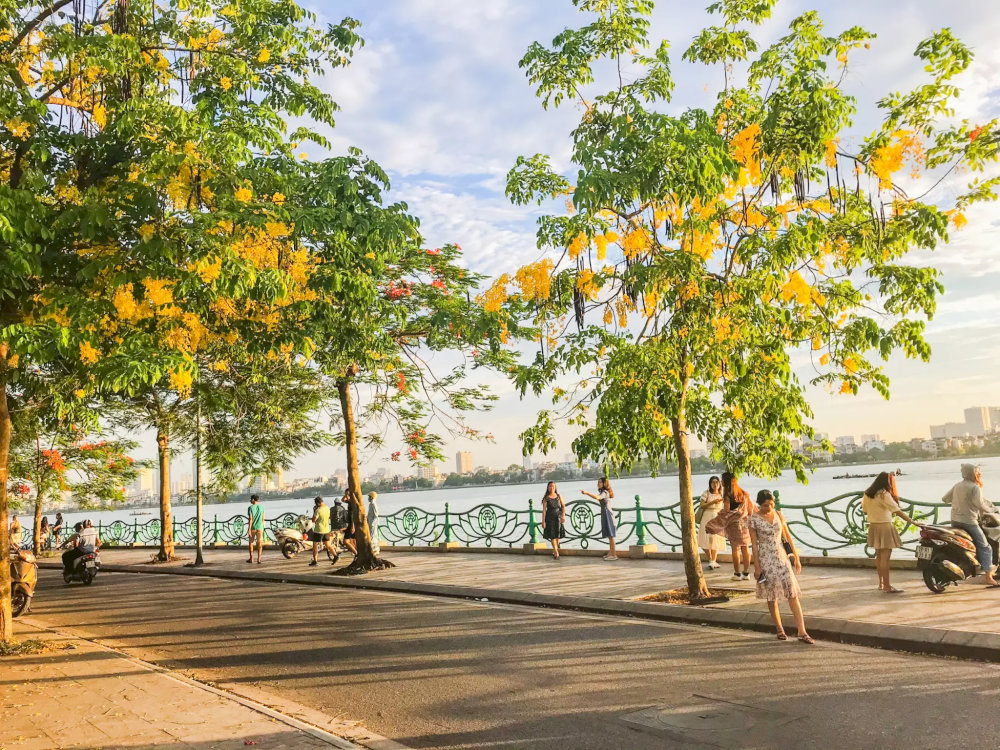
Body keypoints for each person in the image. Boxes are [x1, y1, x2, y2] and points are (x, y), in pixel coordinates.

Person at [749, 489, 814, 644]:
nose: (769, 508)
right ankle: (779, 628)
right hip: (766, 558)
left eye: (772, 504)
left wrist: (796, 557)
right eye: (766, 505)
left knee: (792, 593)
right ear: (759, 504)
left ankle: (802, 631)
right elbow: (754, 545)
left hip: (782, 557)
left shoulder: (778, 514)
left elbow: (787, 536)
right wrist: (757, 567)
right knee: (772, 595)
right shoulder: (753, 520)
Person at [942, 463, 1000, 588]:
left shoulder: (958, 485)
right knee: (985, 547)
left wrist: (959, 504)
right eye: (978, 472)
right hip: (969, 522)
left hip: (955, 521)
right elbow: (979, 505)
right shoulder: (975, 487)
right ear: (973, 473)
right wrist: (991, 512)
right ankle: (989, 577)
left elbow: (945, 499)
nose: (979, 474)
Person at [862, 472, 917, 593]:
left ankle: (881, 583)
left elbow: (865, 510)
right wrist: (913, 522)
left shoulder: (868, 493)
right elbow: (897, 510)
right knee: (885, 558)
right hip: (885, 526)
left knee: (879, 556)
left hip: (873, 526)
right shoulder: (884, 494)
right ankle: (887, 586)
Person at [709, 472, 755, 580]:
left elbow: (726, 511)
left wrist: (717, 518)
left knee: (735, 549)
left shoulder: (727, 495)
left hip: (734, 524)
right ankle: (746, 573)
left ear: (726, 481)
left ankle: (737, 574)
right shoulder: (743, 493)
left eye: (722, 480)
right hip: (744, 523)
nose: (721, 482)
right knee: (745, 548)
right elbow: (750, 508)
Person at [582, 478, 617, 560]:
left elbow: (597, 497)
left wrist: (587, 493)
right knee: (609, 535)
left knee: (611, 535)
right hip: (605, 513)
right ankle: (611, 552)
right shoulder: (603, 492)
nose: (599, 483)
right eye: (598, 482)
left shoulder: (604, 492)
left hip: (608, 514)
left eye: (600, 482)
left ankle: (614, 555)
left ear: (605, 483)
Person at [697, 476, 726, 569]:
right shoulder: (706, 493)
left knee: (716, 539)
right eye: (713, 482)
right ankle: (711, 560)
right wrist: (712, 502)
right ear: (710, 484)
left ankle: (713, 561)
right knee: (704, 538)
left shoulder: (722, 493)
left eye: (717, 482)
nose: (715, 484)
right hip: (707, 516)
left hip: (718, 517)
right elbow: (702, 505)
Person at [541, 482, 566, 559]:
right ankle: (556, 552)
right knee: (552, 536)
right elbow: (544, 511)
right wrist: (543, 521)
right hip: (549, 518)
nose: (551, 488)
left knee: (557, 536)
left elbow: (563, 506)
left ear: (555, 487)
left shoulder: (559, 496)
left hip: (558, 518)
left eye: (553, 486)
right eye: (550, 486)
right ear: (548, 488)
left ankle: (555, 550)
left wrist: (563, 516)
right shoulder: (546, 498)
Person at [309, 496, 334, 566]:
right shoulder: (327, 508)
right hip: (326, 529)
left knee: (315, 545)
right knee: (328, 544)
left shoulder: (318, 510)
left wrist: (314, 511)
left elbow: (313, 520)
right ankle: (335, 556)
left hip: (319, 530)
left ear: (317, 503)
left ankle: (315, 560)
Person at [247, 494, 264, 564]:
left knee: (251, 543)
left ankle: (251, 558)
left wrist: (249, 529)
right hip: (260, 527)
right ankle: (259, 559)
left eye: (251, 499)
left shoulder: (250, 508)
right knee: (259, 543)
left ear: (253, 500)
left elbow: (251, 519)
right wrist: (262, 527)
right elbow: (263, 519)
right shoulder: (262, 507)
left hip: (253, 528)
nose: (250, 500)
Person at [367, 492, 380, 556]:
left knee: (373, 536)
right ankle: (373, 549)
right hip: (370, 522)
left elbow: (376, 515)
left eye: (369, 497)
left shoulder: (373, 504)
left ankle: (374, 549)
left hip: (372, 523)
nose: (368, 498)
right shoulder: (371, 504)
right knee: (371, 536)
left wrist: (372, 523)